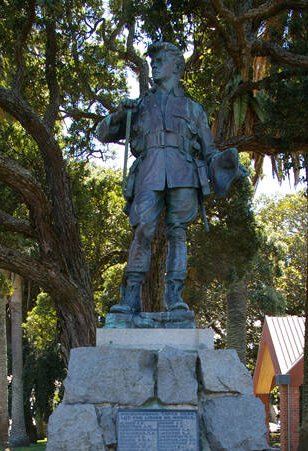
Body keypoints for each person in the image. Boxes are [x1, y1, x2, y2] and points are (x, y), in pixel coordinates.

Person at [97, 41, 246, 314]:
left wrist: (228, 164)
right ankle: (131, 298)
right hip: (149, 171)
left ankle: (175, 298)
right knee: (143, 230)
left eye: (160, 61)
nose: (154, 66)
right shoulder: (139, 105)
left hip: (183, 172)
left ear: (177, 67)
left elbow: (210, 151)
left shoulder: (194, 109)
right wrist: (120, 113)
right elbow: (103, 133)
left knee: (178, 233)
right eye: (152, 62)